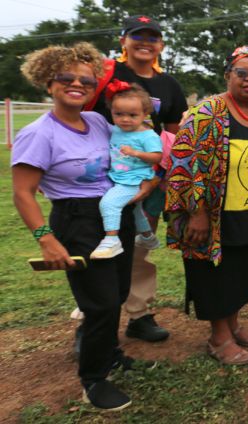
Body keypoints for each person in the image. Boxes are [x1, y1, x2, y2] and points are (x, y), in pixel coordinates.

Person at [13, 42, 155, 411]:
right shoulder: (38, 134)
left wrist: (145, 180)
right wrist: (46, 239)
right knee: (101, 302)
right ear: (48, 82)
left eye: (86, 81)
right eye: (66, 78)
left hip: (114, 214)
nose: (77, 85)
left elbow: (130, 144)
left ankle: (110, 355)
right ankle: (93, 380)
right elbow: (24, 193)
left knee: (119, 291)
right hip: (77, 220)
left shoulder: (95, 122)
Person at [166, 46, 248, 365]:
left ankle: (234, 325)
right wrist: (197, 213)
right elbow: (183, 163)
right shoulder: (208, 112)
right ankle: (218, 338)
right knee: (215, 276)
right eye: (242, 73)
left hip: (247, 207)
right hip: (211, 215)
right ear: (228, 75)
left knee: (239, 274)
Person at [88, 14, 188, 342]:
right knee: (99, 250)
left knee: (138, 251)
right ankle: (90, 324)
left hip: (148, 180)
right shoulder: (105, 75)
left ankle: (139, 315)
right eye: (137, 36)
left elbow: (172, 137)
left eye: (152, 37)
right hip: (103, 177)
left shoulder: (169, 85)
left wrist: (159, 178)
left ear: (161, 45)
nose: (145, 43)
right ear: (123, 41)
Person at [90, 82, 162, 259]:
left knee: (109, 204)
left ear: (145, 114)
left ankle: (111, 239)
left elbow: (157, 157)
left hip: (135, 179)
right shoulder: (115, 130)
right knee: (136, 211)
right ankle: (148, 237)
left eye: (132, 115)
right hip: (119, 177)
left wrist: (136, 153)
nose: (125, 119)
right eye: (119, 114)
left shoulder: (148, 135)